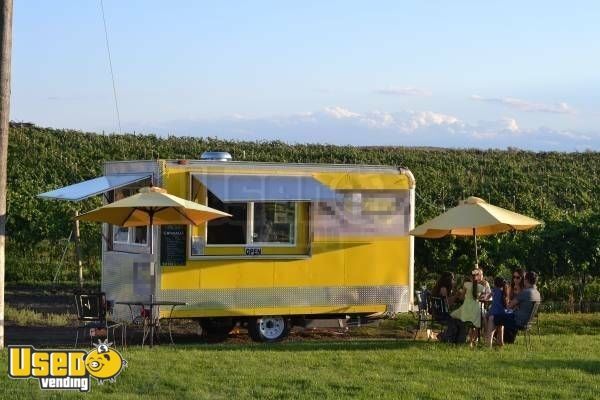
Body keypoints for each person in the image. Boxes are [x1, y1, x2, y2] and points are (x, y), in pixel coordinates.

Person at [488, 271, 541, 346]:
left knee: (492, 318)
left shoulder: (526, 292)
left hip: (518, 321)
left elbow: (509, 306)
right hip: (527, 322)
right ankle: (500, 342)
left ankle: (488, 344)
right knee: (500, 318)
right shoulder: (537, 293)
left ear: (526, 280)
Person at [450, 269, 486, 344]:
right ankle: (471, 341)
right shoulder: (481, 287)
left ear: (470, 277)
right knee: (476, 325)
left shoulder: (466, 284)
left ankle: (454, 336)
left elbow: (461, 298)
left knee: (452, 316)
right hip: (476, 312)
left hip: (465, 311)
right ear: (478, 277)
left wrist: (460, 293)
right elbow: (483, 298)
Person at [485, 276, 510, 347]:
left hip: (494, 313)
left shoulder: (494, 290)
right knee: (500, 326)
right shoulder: (504, 292)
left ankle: (488, 343)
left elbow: (487, 298)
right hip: (502, 314)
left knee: (486, 317)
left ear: (495, 284)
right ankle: (500, 342)